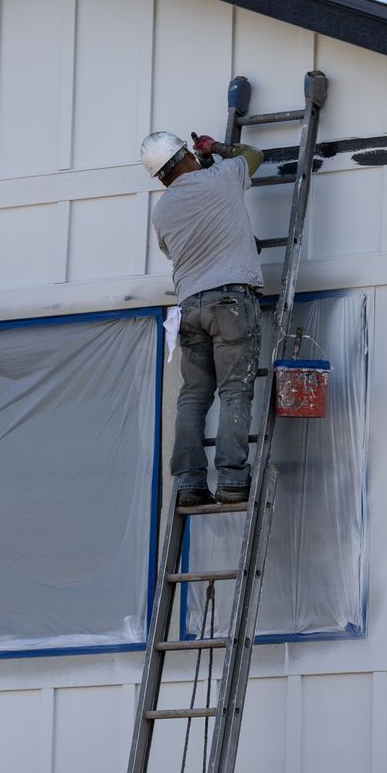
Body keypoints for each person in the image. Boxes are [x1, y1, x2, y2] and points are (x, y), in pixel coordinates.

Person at [141, 129, 266, 509]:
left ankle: (190, 484)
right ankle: (231, 479)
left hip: (189, 307)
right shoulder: (222, 176)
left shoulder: (160, 211)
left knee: (193, 397)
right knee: (235, 390)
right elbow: (253, 154)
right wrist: (215, 149)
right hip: (230, 301)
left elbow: (176, 248)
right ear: (185, 156)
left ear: (161, 176)